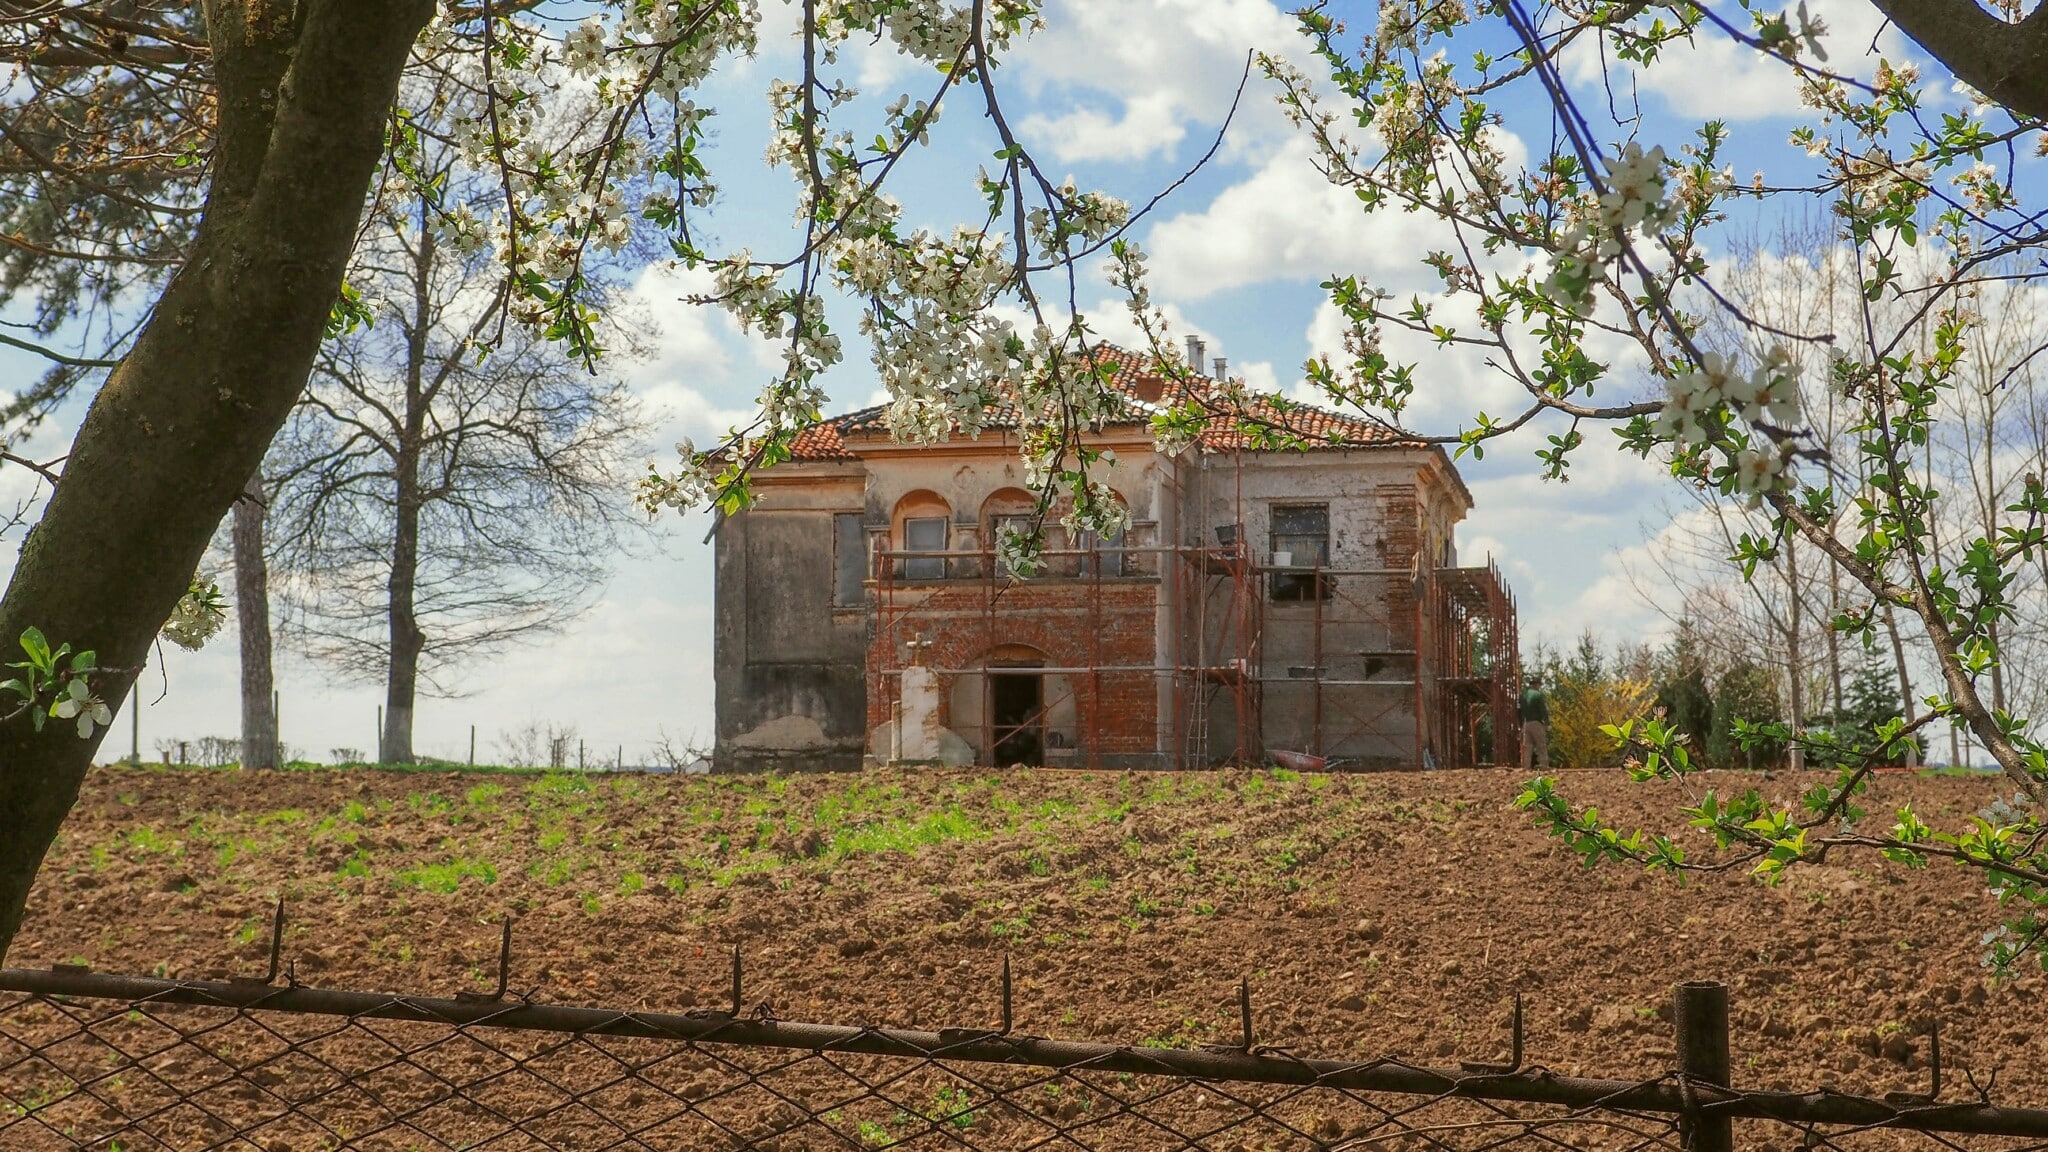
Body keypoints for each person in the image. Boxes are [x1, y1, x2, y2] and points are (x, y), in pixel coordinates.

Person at [1518, 674, 1550, 771]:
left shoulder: (1522, 696)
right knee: (1541, 745)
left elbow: (1518, 710)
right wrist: (1547, 723)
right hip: (1536, 723)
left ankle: (1526, 766)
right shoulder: (1538, 695)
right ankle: (1544, 765)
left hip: (1526, 723)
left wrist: (1521, 724)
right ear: (1536, 685)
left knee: (1527, 746)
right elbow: (1543, 710)